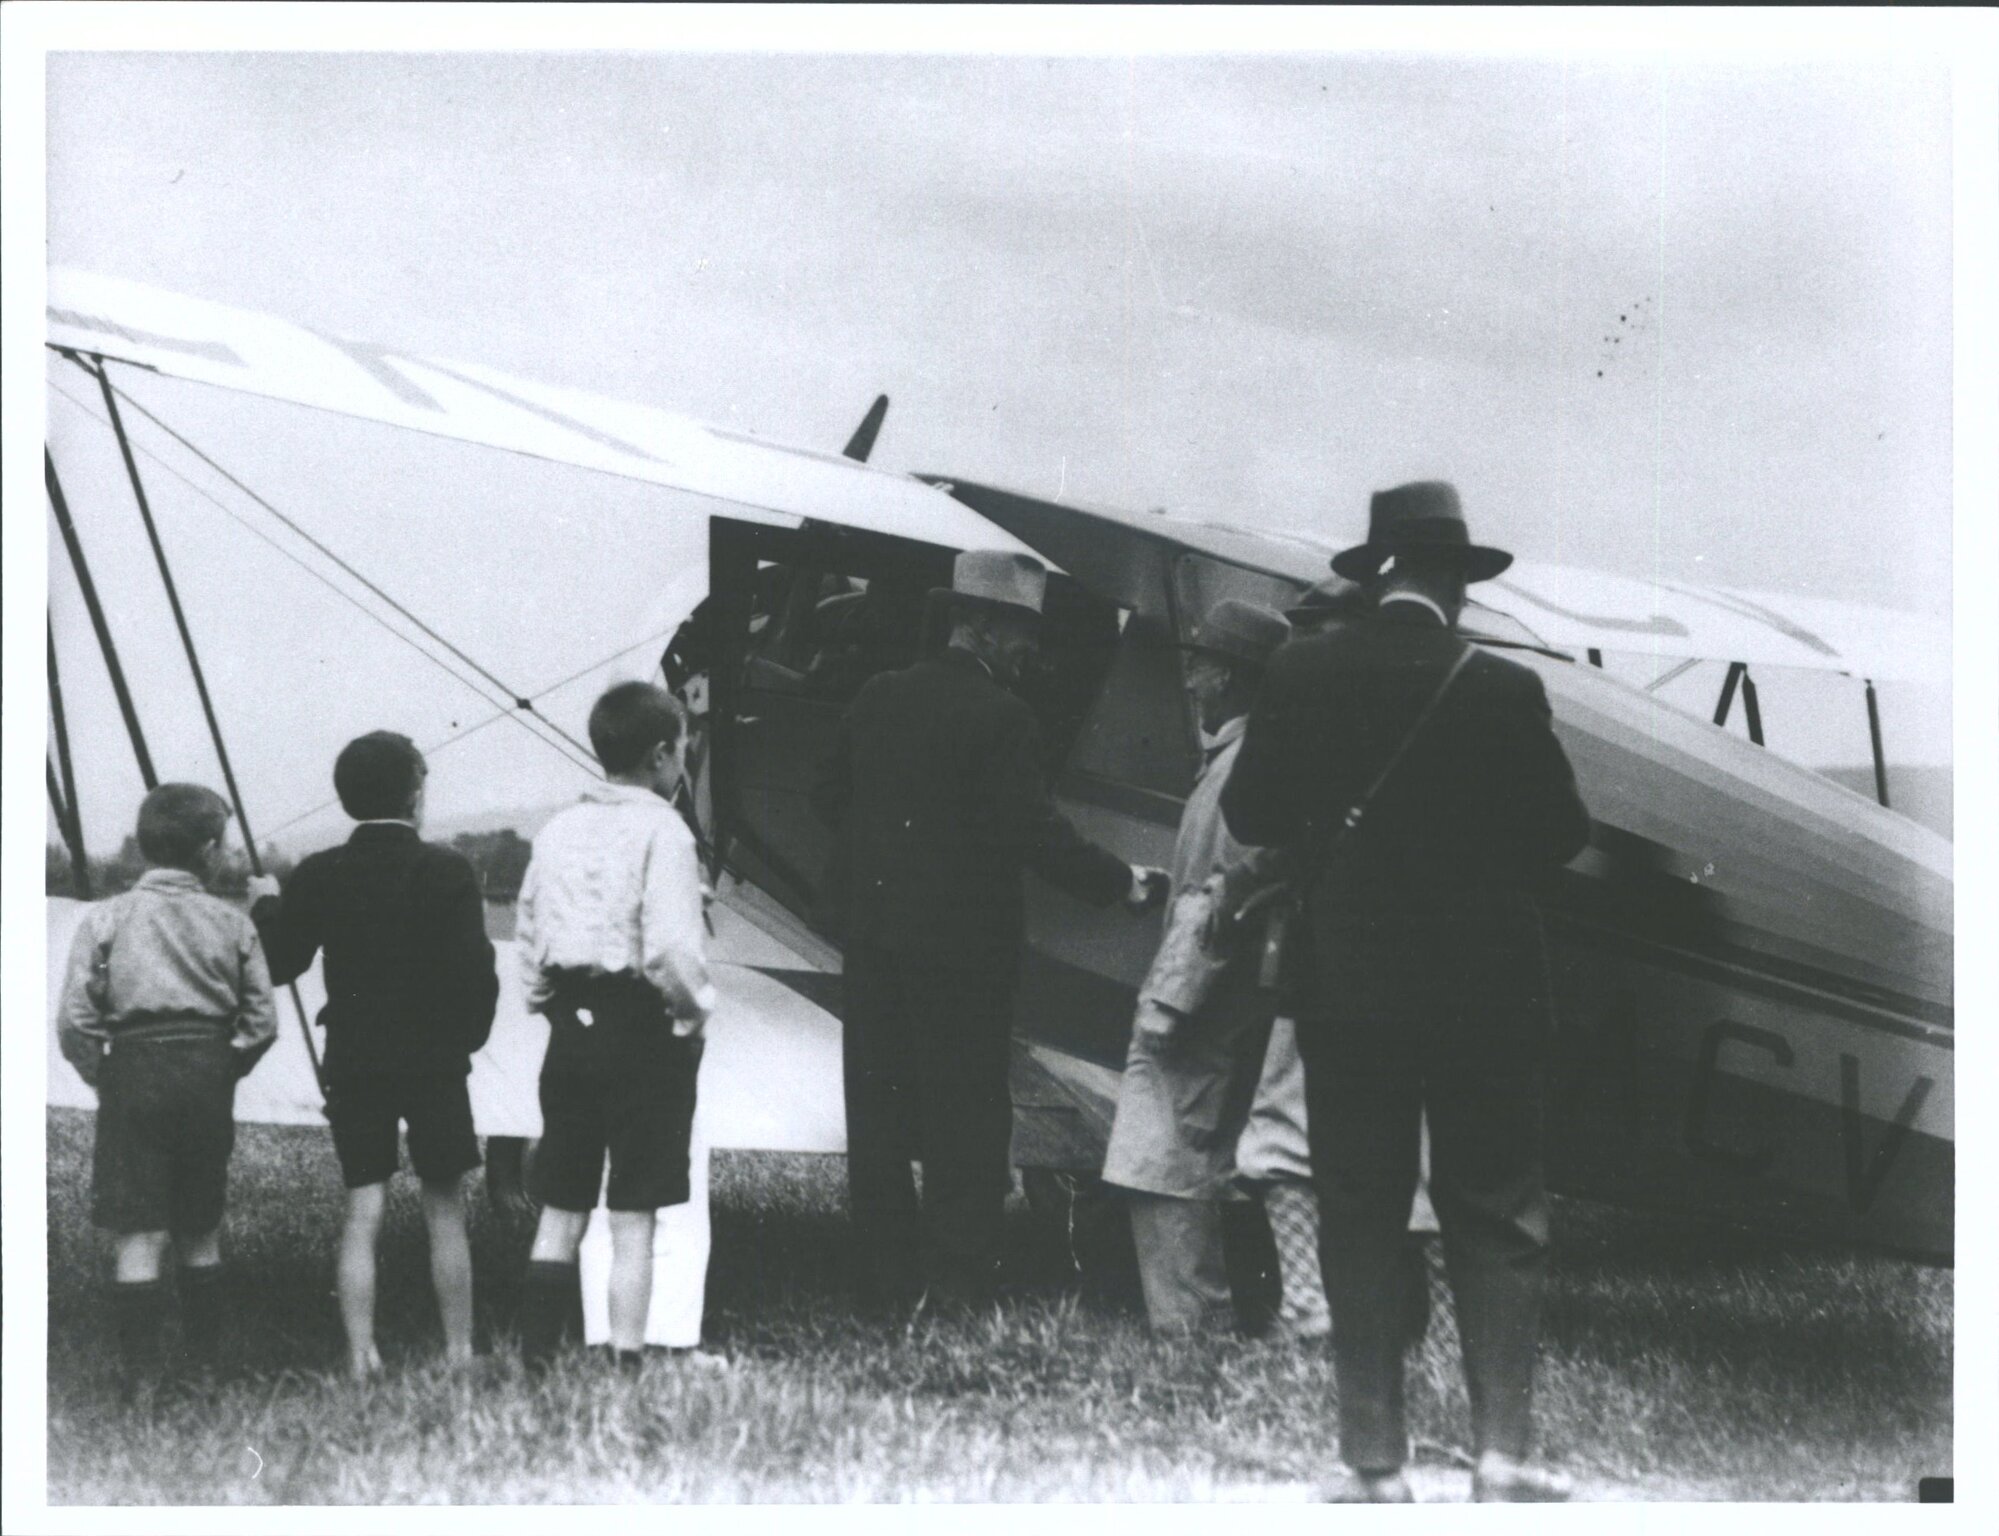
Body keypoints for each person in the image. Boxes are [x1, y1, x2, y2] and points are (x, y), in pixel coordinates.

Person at [1223, 482, 1591, 1503]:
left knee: (1359, 1212)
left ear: (1376, 571)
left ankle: (1375, 1466)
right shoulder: (1500, 686)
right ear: (1455, 583)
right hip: (1488, 999)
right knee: (1497, 1215)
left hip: (1351, 991)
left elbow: (1251, 814)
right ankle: (1502, 1456)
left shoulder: (1300, 670)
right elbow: (1561, 837)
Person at [812, 549, 1166, 1312]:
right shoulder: (1004, 717)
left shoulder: (876, 696)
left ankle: (882, 1285)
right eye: (1018, 633)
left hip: (873, 942)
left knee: (875, 1111)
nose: (1029, 652)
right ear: (976, 625)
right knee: (965, 1118)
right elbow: (1032, 833)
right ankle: (957, 1288)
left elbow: (825, 797)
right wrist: (1123, 882)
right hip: (965, 954)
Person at [1232, 575, 1440, 1348]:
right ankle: (1448, 1338)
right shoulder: (1452, 694)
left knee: (1282, 1122)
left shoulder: (1305, 710)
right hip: (1427, 958)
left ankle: (1308, 1305)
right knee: (1422, 1141)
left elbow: (1250, 816)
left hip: (1323, 948)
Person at [250, 732, 499, 1379]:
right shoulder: (448, 870)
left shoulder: (320, 872)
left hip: (355, 1055)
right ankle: (458, 1352)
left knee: (363, 1206)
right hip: (435, 1058)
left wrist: (268, 903)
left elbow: (279, 963)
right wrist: (464, 1039)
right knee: (445, 1206)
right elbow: (475, 973)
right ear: (415, 795)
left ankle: (361, 1356)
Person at [1100, 597, 1290, 1336]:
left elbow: (1226, 892)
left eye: (1203, 666)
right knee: (1200, 1151)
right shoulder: (1243, 758)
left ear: (1235, 678)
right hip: (1221, 983)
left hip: (1202, 984)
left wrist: (1172, 997)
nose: (1191, 681)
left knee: (1162, 1151)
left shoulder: (1241, 767)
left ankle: (1191, 1325)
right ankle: (1218, 1313)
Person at [513, 682, 715, 1373]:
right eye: (683, 747)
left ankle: (535, 1361)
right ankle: (625, 1364)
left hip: (570, 1027)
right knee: (633, 1211)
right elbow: (670, 949)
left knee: (561, 1204)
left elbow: (529, 930)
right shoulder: (666, 830)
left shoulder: (557, 829)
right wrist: (690, 1017)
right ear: (663, 754)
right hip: (643, 1030)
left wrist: (548, 1002)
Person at [58, 784, 279, 1393]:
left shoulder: (105, 919)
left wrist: (105, 1075)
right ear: (209, 851)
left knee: (139, 1229)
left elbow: (77, 1018)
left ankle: (142, 1380)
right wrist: (224, 1066)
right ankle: (205, 1370)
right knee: (198, 1227)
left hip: (133, 1071)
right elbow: (261, 1021)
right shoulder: (231, 923)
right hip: (207, 1074)